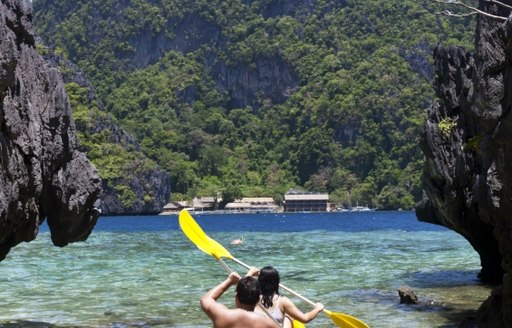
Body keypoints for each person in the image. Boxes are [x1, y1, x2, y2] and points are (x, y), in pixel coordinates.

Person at [248, 266, 324, 328]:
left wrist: (250, 272)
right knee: (289, 316)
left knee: (287, 316)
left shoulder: (252, 296)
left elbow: (242, 287)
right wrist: (317, 309)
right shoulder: (282, 301)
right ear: (277, 282)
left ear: (259, 281)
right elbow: (305, 319)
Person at [201, 271, 277, 328]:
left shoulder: (222, 315)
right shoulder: (268, 324)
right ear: (258, 300)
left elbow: (206, 299)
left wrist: (229, 281)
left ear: (236, 296)